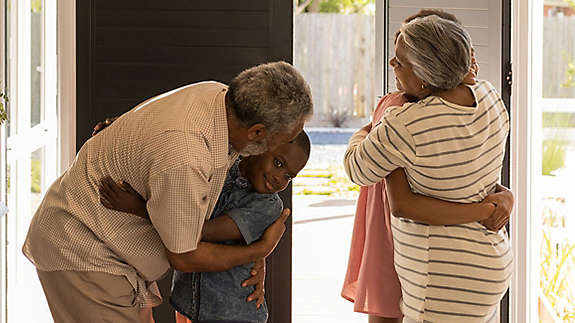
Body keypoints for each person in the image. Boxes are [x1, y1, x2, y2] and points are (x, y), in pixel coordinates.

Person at [22, 61, 313, 323]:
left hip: (118, 255)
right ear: (257, 133)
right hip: (85, 252)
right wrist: (260, 249)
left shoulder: (217, 98)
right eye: (282, 142)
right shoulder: (186, 157)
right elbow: (185, 255)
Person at [341, 10, 514, 323]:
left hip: (442, 276)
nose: (392, 66)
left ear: (423, 75)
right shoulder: (490, 98)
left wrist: (367, 131)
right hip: (492, 262)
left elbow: (356, 168)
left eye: (401, 62)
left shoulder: (406, 123)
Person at [98, 131, 311, 323]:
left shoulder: (266, 206)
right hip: (186, 303)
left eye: (289, 176)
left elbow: (199, 231)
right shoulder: (221, 165)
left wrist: (137, 208)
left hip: (230, 313)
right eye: (278, 163)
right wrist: (123, 131)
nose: (279, 178)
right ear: (261, 146)